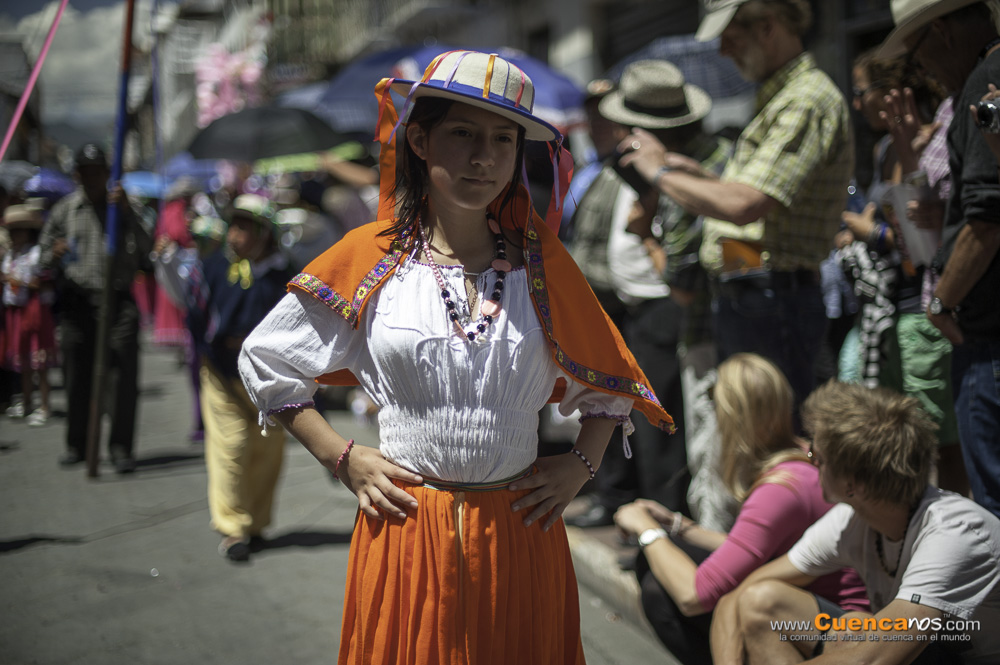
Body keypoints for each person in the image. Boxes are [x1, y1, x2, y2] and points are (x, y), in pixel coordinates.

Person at [238, 50, 674, 664]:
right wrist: (340, 456)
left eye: (503, 139)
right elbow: (267, 357)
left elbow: (611, 381)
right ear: (419, 140)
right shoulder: (371, 257)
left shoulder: (543, 267)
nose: (484, 157)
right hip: (406, 530)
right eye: (464, 133)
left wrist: (581, 463)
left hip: (521, 534)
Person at [619, 0, 853, 412]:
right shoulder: (781, 97)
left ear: (767, 28)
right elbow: (757, 198)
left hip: (771, 298)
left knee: (773, 434)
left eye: (731, 38)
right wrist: (698, 176)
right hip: (758, 294)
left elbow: (745, 206)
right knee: (755, 432)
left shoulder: (804, 101)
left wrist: (659, 172)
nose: (724, 52)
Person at [710, 381, 1000, 665]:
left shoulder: (954, 535)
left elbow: (871, 659)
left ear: (852, 483)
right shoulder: (851, 519)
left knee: (856, 638)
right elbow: (738, 596)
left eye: (816, 455)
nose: (810, 461)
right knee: (762, 601)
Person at [613, 354, 868, 665]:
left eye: (715, 402)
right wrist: (676, 525)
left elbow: (693, 596)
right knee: (666, 557)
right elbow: (749, 547)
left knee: (659, 589)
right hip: (813, 601)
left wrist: (646, 529)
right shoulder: (798, 455)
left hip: (827, 619)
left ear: (733, 417)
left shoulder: (780, 489)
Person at [568, 60, 732, 528]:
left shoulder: (679, 173)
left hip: (675, 313)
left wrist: (645, 231)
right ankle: (645, 519)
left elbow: (680, 280)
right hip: (637, 307)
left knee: (670, 431)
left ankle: (667, 530)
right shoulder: (630, 168)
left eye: (623, 123)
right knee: (636, 420)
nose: (618, 132)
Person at [880, 0, 1000, 520]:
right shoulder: (969, 93)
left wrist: (943, 303)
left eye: (917, 53)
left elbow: (987, 218)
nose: (921, 69)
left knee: (991, 500)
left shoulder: (983, 84)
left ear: (944, 33)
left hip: (983, 327)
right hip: (977, 326)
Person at [156, 193, 291, 562]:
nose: (234, 234)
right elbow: (193, 309)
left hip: (271, 381)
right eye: (233, 225)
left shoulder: (286, 275)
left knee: (266, 451)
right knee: (231, 446)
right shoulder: (213, 266)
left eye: (245, 227)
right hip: (221, 372)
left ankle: (256, 523)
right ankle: (233, 529)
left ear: (265, 234)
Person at [38, 144, 152, 472]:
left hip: (117, 302)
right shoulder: (65, 210)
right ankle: (78, 443)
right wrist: (53, 254)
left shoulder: (124, 209)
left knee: (122, 378)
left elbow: (147, 251)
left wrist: (127, 213)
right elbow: (41, 256)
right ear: (77, 175)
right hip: (78, 302)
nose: (91, 178)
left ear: (107, 174)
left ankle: (120, 447)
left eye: (97, 172)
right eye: (85, 172)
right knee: (77, 376)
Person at [1, 204, 57, 426]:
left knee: (39, 361)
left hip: (34, 311)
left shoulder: (36, 254)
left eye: (20, 230)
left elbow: (42, 282)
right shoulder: (11, 255)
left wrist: (18, 280)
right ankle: (26, 403)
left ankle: (44, 405)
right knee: (23, 360)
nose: (16, 235)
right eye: (13, 231)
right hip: (16, 310)